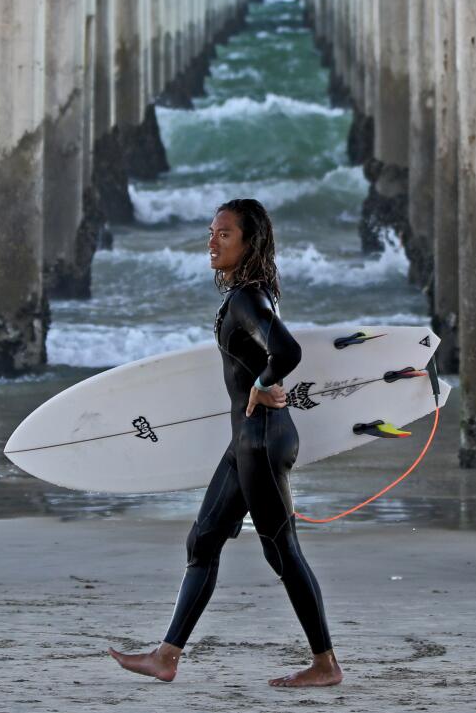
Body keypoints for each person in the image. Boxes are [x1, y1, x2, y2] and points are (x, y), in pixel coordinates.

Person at [108, 198, 343, 688]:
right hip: (247, 442)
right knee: (204, 539)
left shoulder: (247, 299)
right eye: (211, 232)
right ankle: (166, 656)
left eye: (224, 234)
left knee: (282, 552)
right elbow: (270, 352)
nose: (212, 242)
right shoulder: (250, 295)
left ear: (249, 242)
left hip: (259, 441)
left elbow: (287, 351)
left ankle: (325, 664)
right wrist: (263, 377)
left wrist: (264, 382)